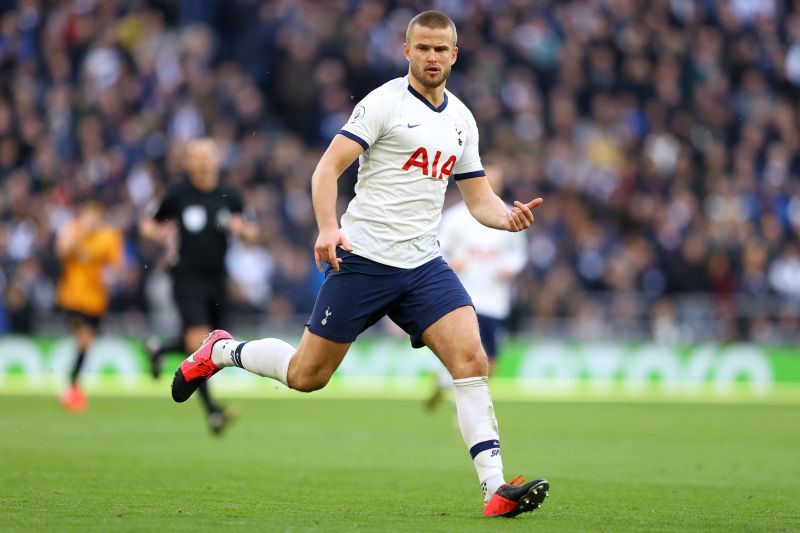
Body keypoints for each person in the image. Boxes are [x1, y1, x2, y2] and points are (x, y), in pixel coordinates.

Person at [170, 11, 549, 517]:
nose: (432, 57)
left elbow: (479, 199)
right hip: (364, 260)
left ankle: (495, 490)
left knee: (472, 361)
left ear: (455, 55)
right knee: (307, 376)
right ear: (407, 51)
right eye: (424, 48)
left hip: (422, 265)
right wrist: (329, 228)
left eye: (441, 49)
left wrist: (508, 218)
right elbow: (327, 168)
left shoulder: (461, 119)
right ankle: (222, 351)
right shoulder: (384, 104)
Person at [140, 137, 258, 434]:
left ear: (217, 159)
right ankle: (213, 412)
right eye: (198, 156)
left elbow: (253, 232)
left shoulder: (230, 196)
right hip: (186, 278)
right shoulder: (179, 194)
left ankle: (161, 347)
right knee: (200, 344)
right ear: (188, 162)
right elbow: (148, 223)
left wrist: (243, 230)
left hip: (218, 281)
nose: (204, 160)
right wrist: (160, 235)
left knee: (214, 345)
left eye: (209, 155)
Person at [426, 165, 528, 409]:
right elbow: (436, 247)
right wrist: (451, 264)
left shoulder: (508, 214)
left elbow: (519, 254)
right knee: (465, 351)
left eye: (497, 180)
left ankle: (448, 384)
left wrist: (509, 268)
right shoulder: (456, 216)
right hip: (463, 295)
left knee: (492, 359)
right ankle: (468, 402)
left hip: (494, 297)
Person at [56, 199, 124, 411]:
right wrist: (80, 237)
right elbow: (61, 251)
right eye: (88, 214)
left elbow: (118, 268)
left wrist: (110, 276)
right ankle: (72, 389)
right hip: (73, 298)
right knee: (84, 339)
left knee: (86, 344)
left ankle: (73, 386)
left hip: (96, 301)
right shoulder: (73, 229)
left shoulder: (110, 236)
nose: (92, 219)